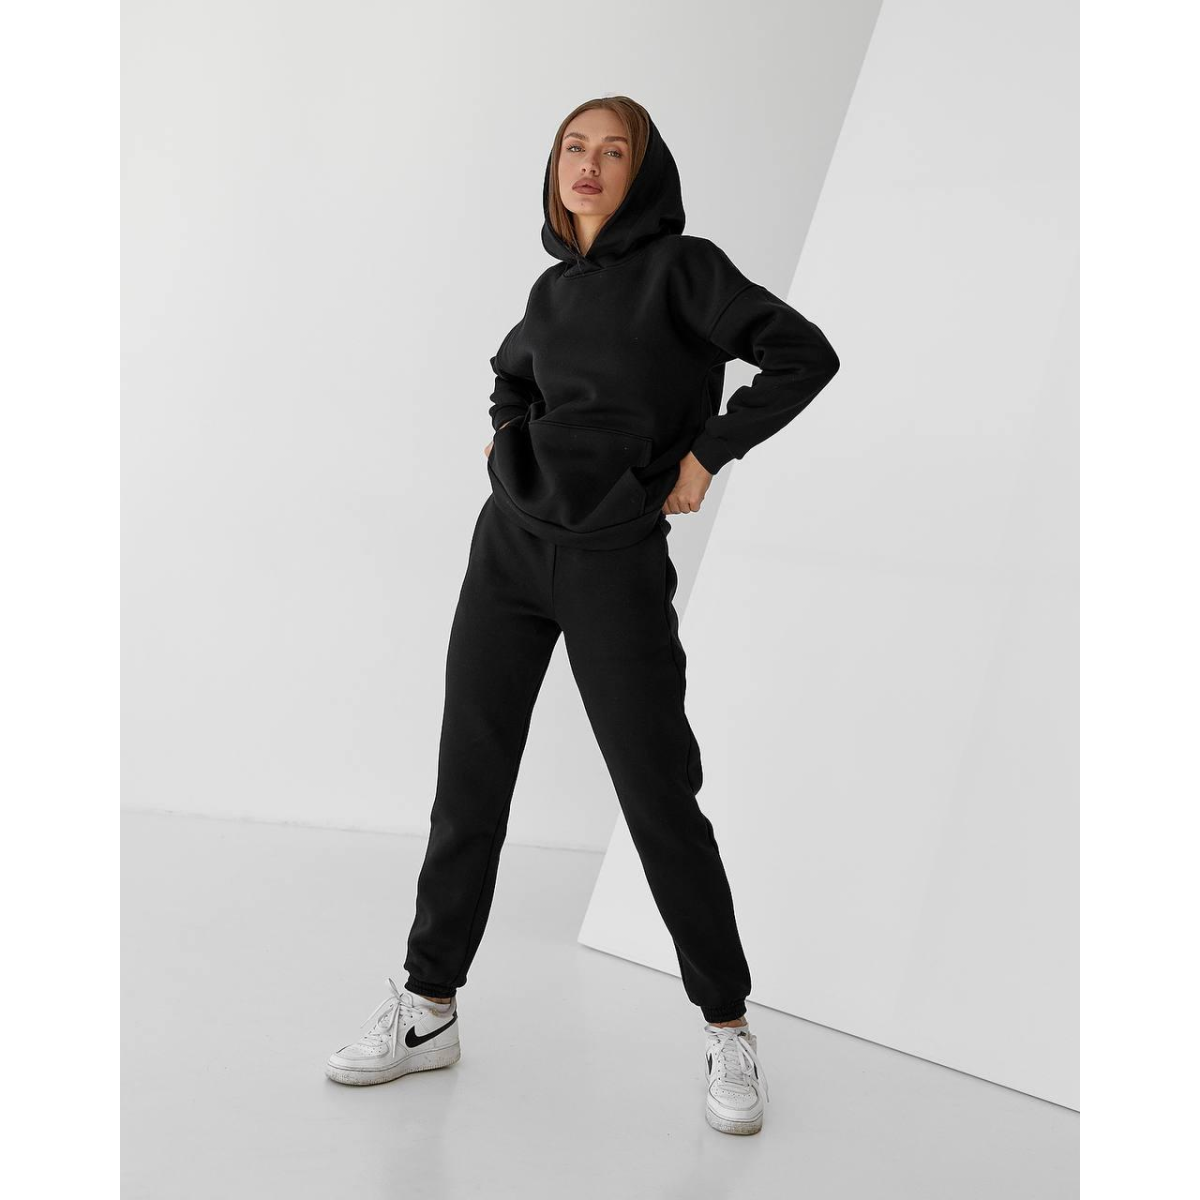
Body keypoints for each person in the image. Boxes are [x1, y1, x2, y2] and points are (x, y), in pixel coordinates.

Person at [326, 96, 839, 1136]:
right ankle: (428, 1007)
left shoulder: (686, 273)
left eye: (613, 152)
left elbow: (804, 354)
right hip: (508, 552)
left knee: (658, 796)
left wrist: (707, 455)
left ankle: (728, 1026)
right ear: (555, 169)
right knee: (469, 783)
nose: (589, 166)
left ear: (643, 173)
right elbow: (510, 376)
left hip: (615, 562)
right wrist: (510, 441)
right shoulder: (552, 289)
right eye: (575, 148)